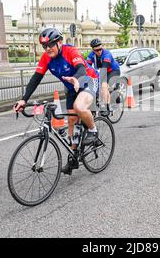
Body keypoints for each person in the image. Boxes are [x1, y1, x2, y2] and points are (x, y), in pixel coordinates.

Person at [14, 28, 99, 175]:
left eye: (51, 45)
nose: (47, 49)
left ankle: (93, 130)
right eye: (44, 46)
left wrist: (76, 78)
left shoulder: (70, 51)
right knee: (71, 121)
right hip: (72, 88)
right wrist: (23, 99)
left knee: (79, 107)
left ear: (59, 42)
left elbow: (81, 69)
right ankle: (73, 158)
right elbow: (36, 79)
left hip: (88, 80)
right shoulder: (46, 58)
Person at [86, 38, 121, 116]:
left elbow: (105, 67)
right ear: (93, 50)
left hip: (113, 71)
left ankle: (107, 108)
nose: (99, 51)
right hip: (102, 71)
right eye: (96, 50)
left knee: (104, 86)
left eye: (100, 49)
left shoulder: (106, 54)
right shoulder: (91, 55)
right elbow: (87, 66)